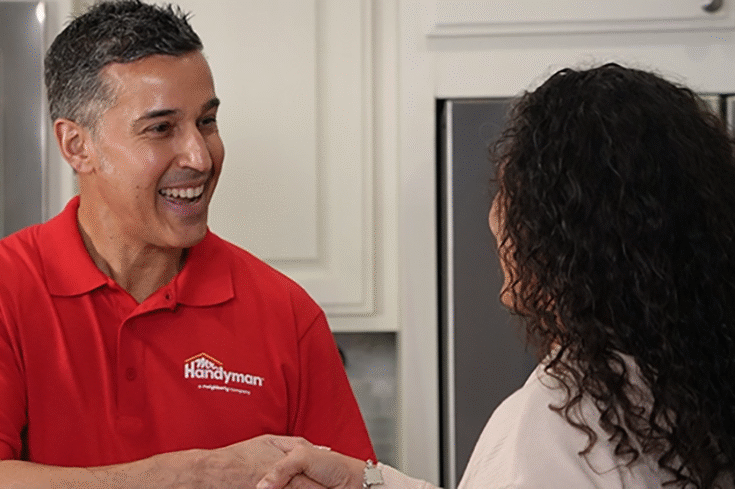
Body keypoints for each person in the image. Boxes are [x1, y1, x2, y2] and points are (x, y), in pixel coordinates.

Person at [0, 1, 375, 487]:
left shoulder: (286, 314)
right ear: (77, 146)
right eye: (160, 129)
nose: (200, 157)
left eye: (207, 122)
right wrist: (193, 475)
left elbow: (349, 480)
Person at [255, 63, 735, 489]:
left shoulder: (554, 422)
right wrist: (367, 482)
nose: (493, 217)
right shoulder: (682, 387)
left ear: (559, 233)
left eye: (507, 193)